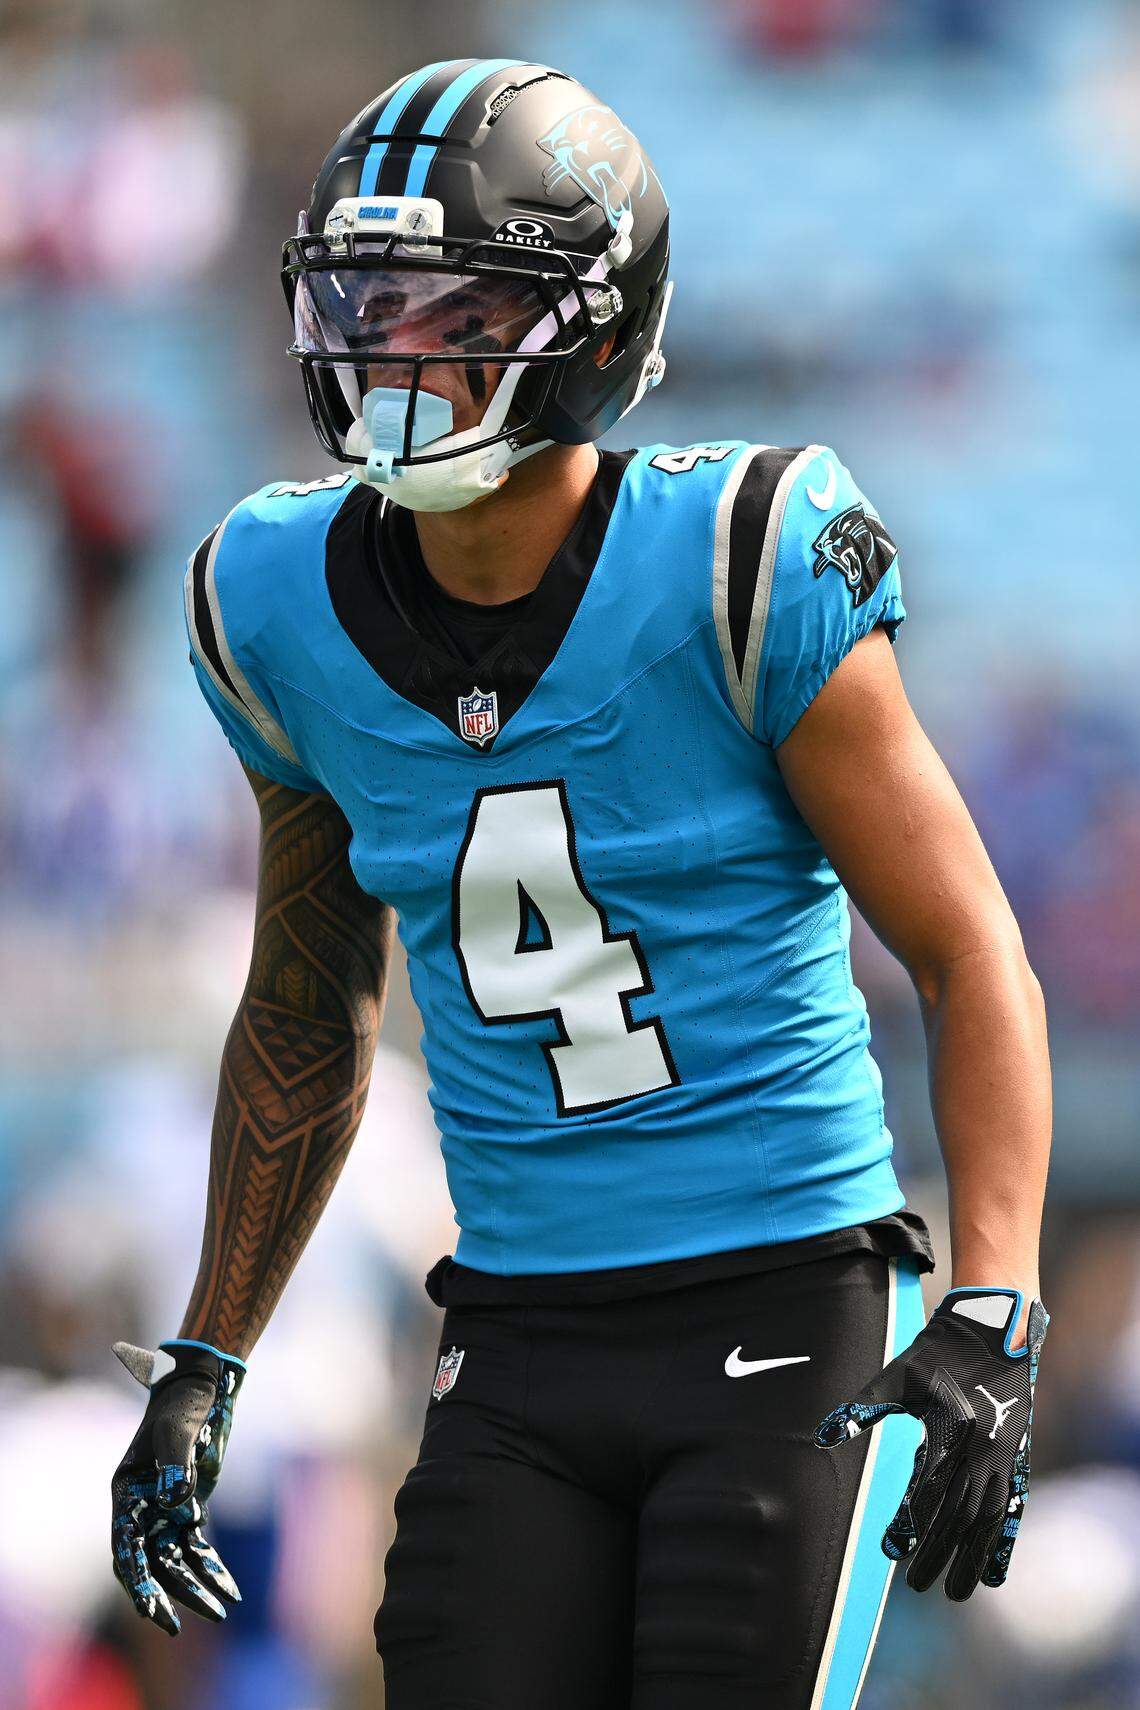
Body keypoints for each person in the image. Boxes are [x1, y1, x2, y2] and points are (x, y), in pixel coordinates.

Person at [109, 58, 1051, 1709]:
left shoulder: (741, 559)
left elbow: (972, 952)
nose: (386, 352)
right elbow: (309, 1000)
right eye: (364, 302)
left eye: (445, 311)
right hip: (519, 1334)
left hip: (788, 1302)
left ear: (592, 331)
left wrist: (993, 1306)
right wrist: (210, 1346)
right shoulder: (268, 596)